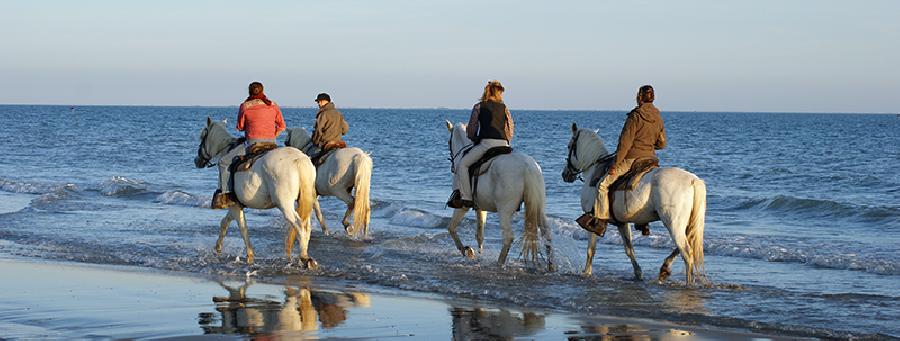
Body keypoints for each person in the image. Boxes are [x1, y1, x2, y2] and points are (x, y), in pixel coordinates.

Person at [576, 85, 666, 236]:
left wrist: (615, 164)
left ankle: (600, 222)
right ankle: (643, 222)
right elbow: (662, 143)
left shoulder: (635, 116)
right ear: (653, 98)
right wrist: (648, 144)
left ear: (640, 97)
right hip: (650, 159)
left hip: (632, 159)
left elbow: (625, 144)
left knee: (602, 185)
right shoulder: (658, 116)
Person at [212, 81, 286, 209]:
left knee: (223, 162)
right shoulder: (273, 105)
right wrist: (272, 135)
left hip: (252, 143)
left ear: (249, 92)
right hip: (272, 143)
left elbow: (240, 127)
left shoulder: (245, 106)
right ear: (263, 91)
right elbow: (282, 126)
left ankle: (227, 196)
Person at [447, 80, 514, 209]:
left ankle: (466, 198)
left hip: (487, 145)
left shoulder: (478, 107)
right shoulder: (504, 108)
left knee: (463, 164)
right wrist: (505, 139)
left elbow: (472, 128)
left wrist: (474, 138)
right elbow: (510, 129)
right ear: (498, 93)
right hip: (504, 145)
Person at [309, 93, 349, 164]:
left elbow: (318, 131)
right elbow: (345, 129)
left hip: (326, 144)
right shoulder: (338, 113)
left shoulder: (323, 114)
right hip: (338, 143)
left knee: (309, 158)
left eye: (319, 101)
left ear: (325, 101)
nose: (318, 103)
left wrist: (315, 142)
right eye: (318, 102)